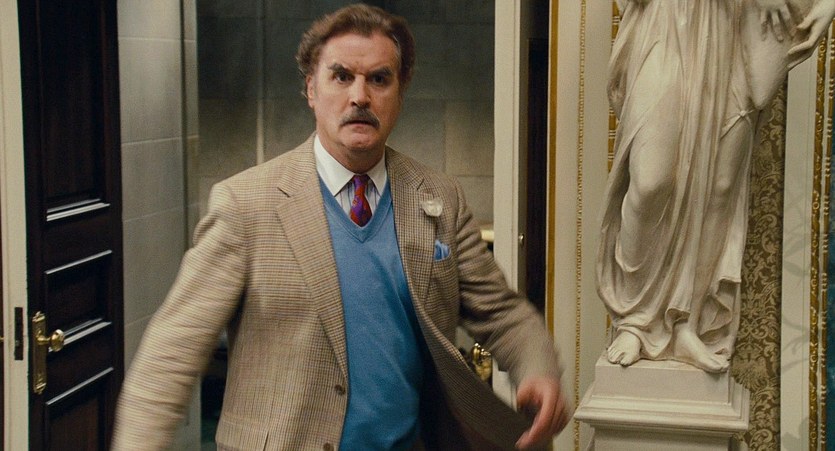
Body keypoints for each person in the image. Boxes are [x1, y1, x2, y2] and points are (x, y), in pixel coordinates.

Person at [112, 4, 569, 450]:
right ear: (311, 89)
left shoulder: (439, 198)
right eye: (341, 76)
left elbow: (502, 313)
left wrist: (538, 368)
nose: (360, 97)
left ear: (401, 91)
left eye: (379, 79)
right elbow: (173, 351)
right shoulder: (246, 205)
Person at [599, 0, 835, 372]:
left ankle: (687, 323)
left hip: (735, 34)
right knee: (650, 183)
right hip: (667, 22)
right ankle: (636, 321)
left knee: (718, 190)